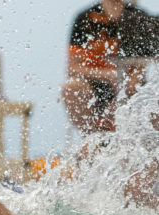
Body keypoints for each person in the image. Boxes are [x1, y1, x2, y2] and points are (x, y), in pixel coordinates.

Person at [62, 0, 155, 134]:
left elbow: (139, 71)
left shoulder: (138, 17)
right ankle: (92, 138)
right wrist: (109, 75)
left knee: (148, 98)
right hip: (94, 84)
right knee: (71, 88)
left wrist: (124, 91)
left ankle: (138, 138)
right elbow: (72, 68)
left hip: (129, 87)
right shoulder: (85, 18)